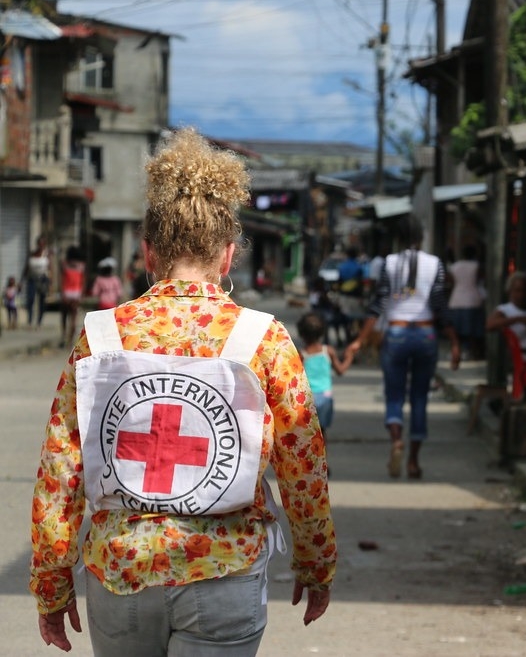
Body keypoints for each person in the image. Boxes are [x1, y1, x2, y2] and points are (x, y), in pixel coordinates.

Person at [29, 127, 336, 655]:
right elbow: (301, 462)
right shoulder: (263, 339)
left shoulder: (100, 335)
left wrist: (51, 585)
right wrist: (315, 560)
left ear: (148, 253)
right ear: (228, 254)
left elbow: (61, 469)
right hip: (223, 571)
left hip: (119, 570)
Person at [346, 215, 461, 480]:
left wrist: (359, 340)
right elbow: (440, 307)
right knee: (420, 397)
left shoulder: (389, 263)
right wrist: (454, 342)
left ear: (398, 238)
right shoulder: (436, 265)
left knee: (394, 395)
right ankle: (414, 461)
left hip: (396, 332)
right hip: (425, 334)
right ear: (421, 237)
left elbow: (378, 305)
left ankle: (396, 440)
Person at [297, 310, 354, 441]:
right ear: (322, 332)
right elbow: (340, 370)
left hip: (307, 399)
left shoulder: (301, 355)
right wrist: (349, 357)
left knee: (307, 433)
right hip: (325, 397)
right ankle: (323, 460)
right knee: (322, 433)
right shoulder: (328, 351)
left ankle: (310, 459)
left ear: (301, 334)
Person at [447, 245, 485, 360]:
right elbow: (480, 281)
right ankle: (472, 352)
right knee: (473, 331)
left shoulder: (454, 267)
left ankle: (456, 351)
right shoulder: (477, 266)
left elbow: (452, 283)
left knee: (456, 330)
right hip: (473, 299)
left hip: (456, 300)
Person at [60, 246, 86, 346]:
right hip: (76, 293)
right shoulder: (81, 266)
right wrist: (81, 295)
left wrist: (62, 293)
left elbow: (62, 280)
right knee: (74, 318)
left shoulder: (65, 265)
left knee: (64, 316)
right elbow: (83, 282)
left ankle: (63, 336)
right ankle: (70, 340)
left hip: (66, 292)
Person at [22, 236, 50, 329]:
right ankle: (30, 321)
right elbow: (26, 268)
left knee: (42, 301)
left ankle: (39, 322)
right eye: (39, 244)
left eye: (42, 244)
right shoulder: (32, 254)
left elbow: (50, 268)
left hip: (43, 279)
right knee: (30, 299)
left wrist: (51, 282)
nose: (41, 246)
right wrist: (21, 281)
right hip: (32, 279)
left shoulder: (46, 255)